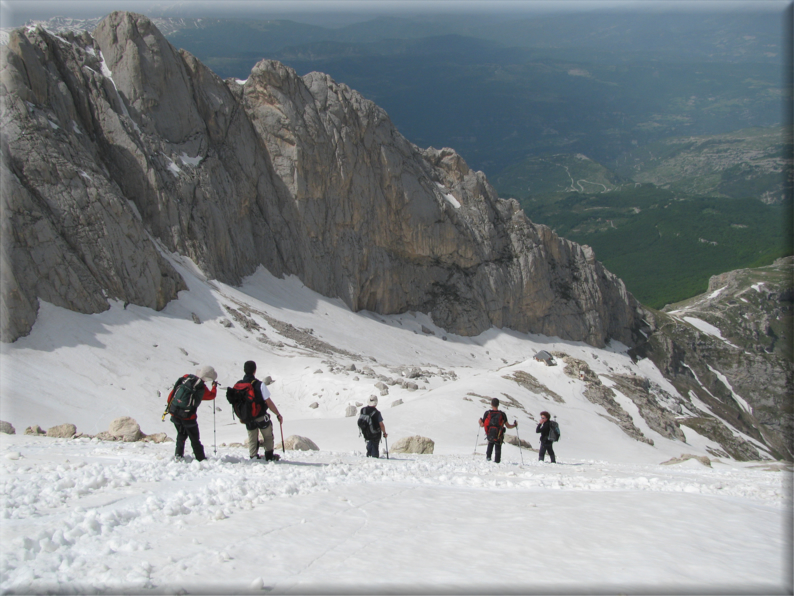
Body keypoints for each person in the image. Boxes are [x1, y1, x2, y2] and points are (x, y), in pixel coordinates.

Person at [167, 365, 218, 461]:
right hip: (188, 417)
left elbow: (175, 389)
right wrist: (214, 387)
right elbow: (211, 396)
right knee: (194, 438)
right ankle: (200, 458)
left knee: (181, 434)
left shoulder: (186, 377)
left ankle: (178, 454)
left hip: (174, 411)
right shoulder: (201, 388)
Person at [240, 360, 283, 461]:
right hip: (260, 416)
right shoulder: (259, 385)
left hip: (247, 417)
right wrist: (278, 414)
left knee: (252, 438)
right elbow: (268, 402)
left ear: (244, 370)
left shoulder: (240, 385)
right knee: (268, 436)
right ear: (255, 371)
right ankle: (269, 455)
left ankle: (253, 456)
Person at [479, 398, 516, 463]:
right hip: (499, 436)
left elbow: (482, 425)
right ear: (498, 404)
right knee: (498, 448)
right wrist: (515, 425)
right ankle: (497, 461)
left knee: (490, 445)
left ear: (491, 404)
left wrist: (480, 422)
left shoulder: (487, 413)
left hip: (490, 435)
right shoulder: (502, 414)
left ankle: (488, 459)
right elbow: (508, 426)